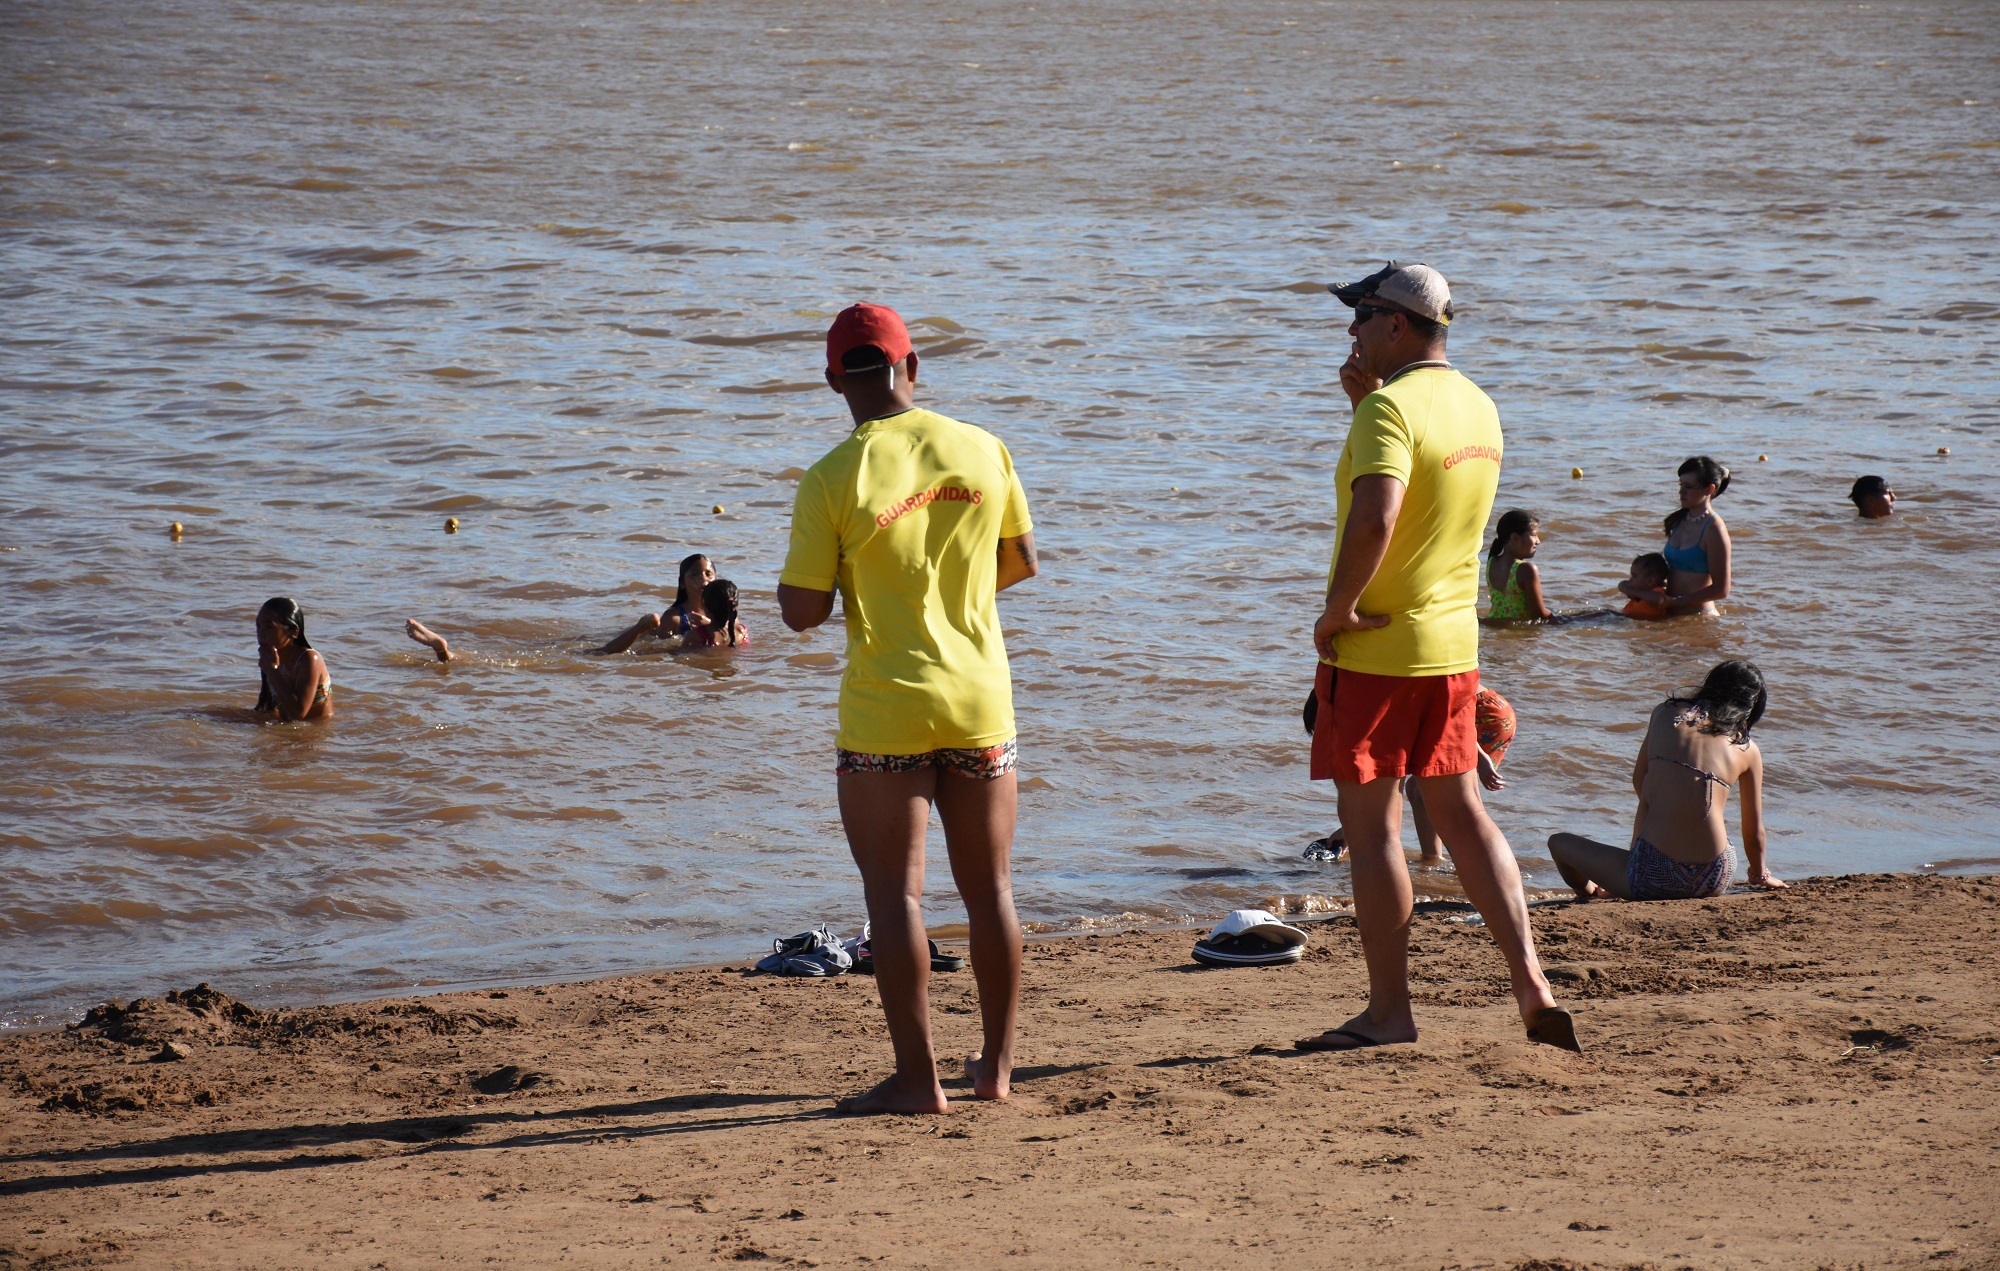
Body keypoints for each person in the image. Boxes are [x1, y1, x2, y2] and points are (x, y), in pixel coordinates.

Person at [1300, 260, 1576, 1055]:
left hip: (1380, 647)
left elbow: (1380, 515)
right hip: (1453, 650)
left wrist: (1337, 611)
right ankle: (1531, 981)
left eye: (1359, 315)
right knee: (1462, 814)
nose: (1349, 330)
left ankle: (1390, 1010)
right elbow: (1433, 511)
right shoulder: (1480, 407)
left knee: (1375, 827)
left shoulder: (1387, 410)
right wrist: (1365, 411)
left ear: (1394, 323)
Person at [777, 302, 1040, 1114]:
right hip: (979, 697)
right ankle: (994, 1069)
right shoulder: (983, 446)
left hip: (887, 708)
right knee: (991, 889)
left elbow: (801, 610)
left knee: (895, 899)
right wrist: (951, 598)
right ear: (911, 365)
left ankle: (918, 1080)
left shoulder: (831, 475)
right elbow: (1022, 561)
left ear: (832, 381)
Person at [1548, 660, 1785, 900]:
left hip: (1652, 877)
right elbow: (1753, 831)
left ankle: (1591, 893)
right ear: (1751, 707)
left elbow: (1639, 781)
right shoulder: (1747, 749)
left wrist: (1666, 810)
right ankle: (1628, 871)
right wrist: (1760, 875)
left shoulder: (1665, 713)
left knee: (1558, 843)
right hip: (1715, 876)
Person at [1620, 456, 1732, 616]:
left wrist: (1676, 601)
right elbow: (1675, 573)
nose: (1681, 491)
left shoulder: (1714, 529)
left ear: (1709, 490)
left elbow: (1722, 589)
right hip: (1668, 614)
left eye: (1688, 486)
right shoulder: (1679, 520)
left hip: (1696, 619)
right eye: (1680, 484)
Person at [599, 553, 716, 654]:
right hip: (647, 634)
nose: (703, 579)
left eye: (708, 573)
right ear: (682, 583)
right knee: (599, 653)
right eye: (695, 574)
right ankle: (641, 625)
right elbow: (657, 651)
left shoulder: (722, 611)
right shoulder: (674, 619)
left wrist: (708, 625)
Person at [254, 597, 332, 721]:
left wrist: (272, 671)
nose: (261, 633)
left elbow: (299, 714)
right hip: (292, 731)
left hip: (316, 735)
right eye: (258, 626)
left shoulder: (309, 659)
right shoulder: (272, 657)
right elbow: (269, 710)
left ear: (293, 631)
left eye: (269, 627)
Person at [1485, 509, 1554, 622]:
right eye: (1534, 535)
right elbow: (1538, 614)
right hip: (1518, 633)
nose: (1538, 541)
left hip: (1496, 625)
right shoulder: (1526, 569)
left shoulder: (1491, 562)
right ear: (1515, 537)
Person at [676, 578, 750, 650]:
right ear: (735, 606)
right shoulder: (742, 631)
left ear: (706, 608)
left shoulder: (696, 636)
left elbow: (680, 655)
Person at [1620, 553, 1674, 621]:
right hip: (1627, 618)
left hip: (1630, 620)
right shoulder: (1641, 591)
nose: (1630, 580)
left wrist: (1633, 592)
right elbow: (1621, 584)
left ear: (1650, 581)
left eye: (1634, 576)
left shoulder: (1657, 591)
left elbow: (1658, 599)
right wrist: (1628, 589)